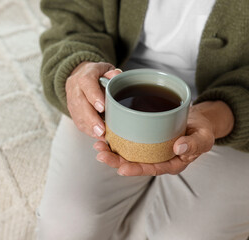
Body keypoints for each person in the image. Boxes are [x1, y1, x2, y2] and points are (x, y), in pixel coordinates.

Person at [36, 0, 249, 239]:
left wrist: (222, 115)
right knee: (66, 226)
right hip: (112, 91)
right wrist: (77, 68)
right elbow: (72, 14)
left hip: (234, 108)